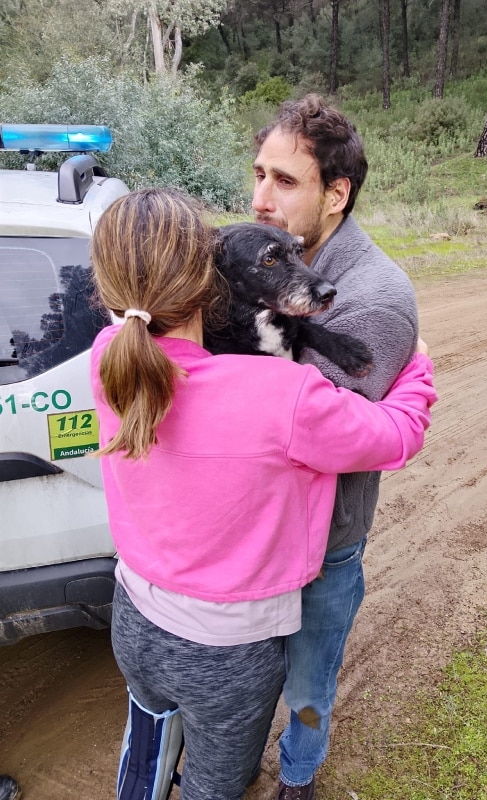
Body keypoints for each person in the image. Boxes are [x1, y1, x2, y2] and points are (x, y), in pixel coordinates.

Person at [89, 188, 435, 800]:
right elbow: (397, 435)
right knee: (214, 785)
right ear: (211, 278)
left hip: (134, 618)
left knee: (146, 747)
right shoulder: (282, 393)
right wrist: (415, 367)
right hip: (226, 652)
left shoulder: (109, 358)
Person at [252, 94, 422, 798]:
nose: (261, 197)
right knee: (242, 674)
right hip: (251, 534)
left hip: (322, 544)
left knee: (309, 681)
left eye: (285, 181)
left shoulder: (375, 296)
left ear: (336, 194)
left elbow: (308, 431)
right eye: (258, 172)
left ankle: (299, 776)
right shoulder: (261, 256)